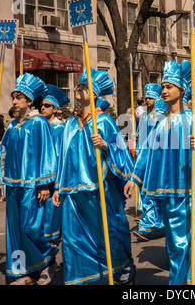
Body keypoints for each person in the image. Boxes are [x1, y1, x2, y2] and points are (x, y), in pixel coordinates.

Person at [124, 60, 195, 285]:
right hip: (166, 193)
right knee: (175, 244)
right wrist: (134, 179)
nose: (163, 91)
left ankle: (187, 283)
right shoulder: (160, 122)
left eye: (168, 86)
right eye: (162, 87)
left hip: (189, 191)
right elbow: (147, 153)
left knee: (186, 242)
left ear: (182, 89)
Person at [52, 69, 136, 285]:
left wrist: (106, 145)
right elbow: (63, 157)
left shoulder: (105, 121)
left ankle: (123, 265)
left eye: (83, 86)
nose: (78, 89)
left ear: (95, 94)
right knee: (72, 238)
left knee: (106, 230)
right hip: (72, 190)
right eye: (78, 86)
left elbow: (122, 152)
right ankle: (80, 277)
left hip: (99, 187)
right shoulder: (70, 123)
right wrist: (57, 187)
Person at [0, 73, 58, 285]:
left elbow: (46, 153)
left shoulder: (39, 123)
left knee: (31, 228)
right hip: (14, 184)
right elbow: (6, 150)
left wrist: (45, 183)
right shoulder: (13, 125)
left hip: (32, 185)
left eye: (19, 97)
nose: (14, 101)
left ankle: (48, 259)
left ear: (29, 100)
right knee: (15, 230)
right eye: (13, 97)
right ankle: (21, 271)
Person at [132, 83, 165, 241]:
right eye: (146, 98)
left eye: (150, 98)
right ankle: (148, 220)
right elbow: (139, 134)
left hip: (156, 157)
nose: (147, 100)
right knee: (144, 189)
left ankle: (149, 224)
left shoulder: (161, 117)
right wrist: (135, 142)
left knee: (153, 190)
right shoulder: (144, 116)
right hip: (143, 155)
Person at [41, 84, 70, 245]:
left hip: (53, 181)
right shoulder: (42, 126)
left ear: (56, 108)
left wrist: (57, 185)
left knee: (54, 222)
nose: (43, 108)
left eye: (47, 105)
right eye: (42, 105)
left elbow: (60, 158)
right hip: (41, 180)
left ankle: (53, 261)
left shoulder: (59, 129)